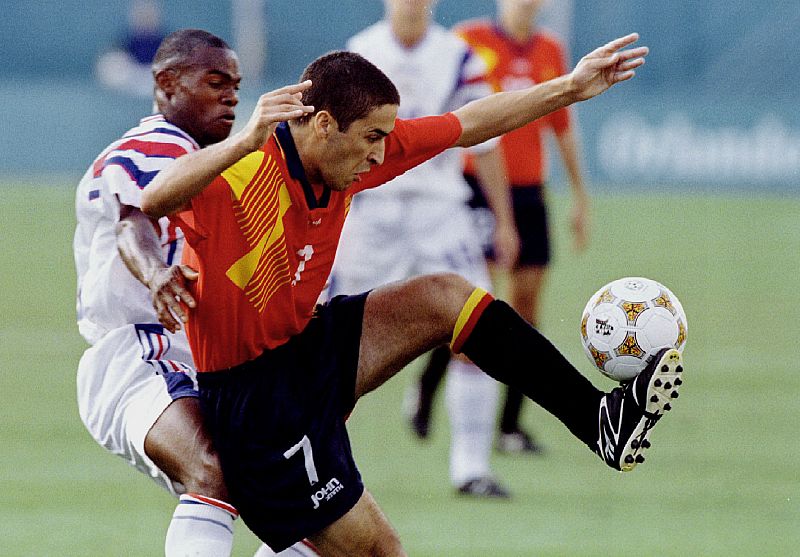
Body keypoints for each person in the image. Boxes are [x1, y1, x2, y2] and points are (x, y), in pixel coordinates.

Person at [141, 34, 684, 556]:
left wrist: (568, 88)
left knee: (446, 296)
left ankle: (601, 422)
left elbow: (467, 124)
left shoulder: (343, 157)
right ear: (325, 126)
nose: (380, 155)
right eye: (373, 137)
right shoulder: (244, 170)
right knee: (379, 552)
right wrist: (243, 140)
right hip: (256, 403)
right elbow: (153, 198)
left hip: (307, 352)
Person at [75, 28, 314, 557]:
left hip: (213, 363)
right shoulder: (157, 146)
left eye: (235, 84)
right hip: (141, 354)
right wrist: (156, 276)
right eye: (214, 81)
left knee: (325, 515)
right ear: (166, 83)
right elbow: (131, 219)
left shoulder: (212, 163)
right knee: (212, 468)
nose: (231, 94)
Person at [326, 0, 518, 498]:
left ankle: (470, 467)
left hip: (440, 212)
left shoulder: (458, 56)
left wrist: (504, 221)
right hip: (372, 215)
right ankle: (318, 460)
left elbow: (486, 142)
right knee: (329, 344)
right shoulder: (361, 52)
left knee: (480, 328)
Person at [410, 0, 592, 456]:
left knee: (526, 305)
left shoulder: (551, 50)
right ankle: (428, 388)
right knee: (476, 303)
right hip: (477, 188)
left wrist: (580, 197)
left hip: (529, 194)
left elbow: (563, 128)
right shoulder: (470, 41)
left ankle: (509, 426)